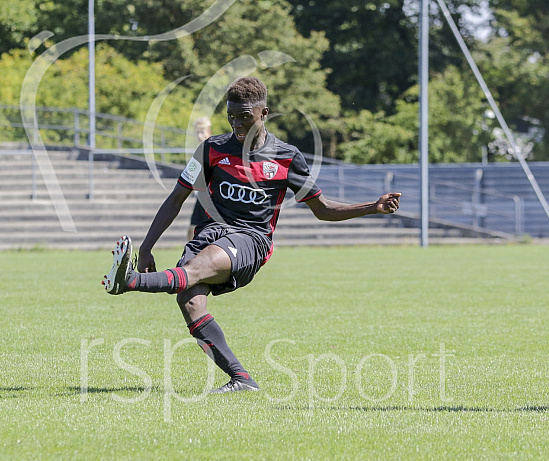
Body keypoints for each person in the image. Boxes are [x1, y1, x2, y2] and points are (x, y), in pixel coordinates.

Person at [102, 77, 401, 393]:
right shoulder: (212, 149)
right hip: (212, 232)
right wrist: (147, 247)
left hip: (252, 239)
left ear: (264, 113)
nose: (236, 123)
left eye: (245, 116)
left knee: (195, 271)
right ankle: (242, 380)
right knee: (189, 301)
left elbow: (323, 209)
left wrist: (373, 206)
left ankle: (129, 281)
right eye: (231, 115)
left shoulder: (286, 157)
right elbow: (175, 199)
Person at [187, 117, 213, 241]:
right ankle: (190, 257)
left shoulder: (213, 150)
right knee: (192, 230)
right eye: (197, 132)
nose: (199, 135)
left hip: (211, 198)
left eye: (202, 132)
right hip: (201, 196)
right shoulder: (199, 150)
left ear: (209, 132)